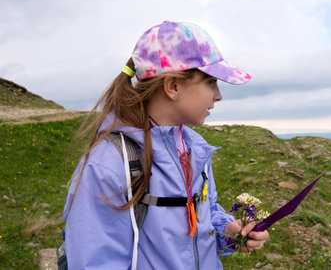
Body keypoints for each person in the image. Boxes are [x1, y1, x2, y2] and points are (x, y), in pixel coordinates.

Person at [62, 20, 269, 269]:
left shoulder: (195, 149)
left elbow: (205, 212)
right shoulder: (108, 164)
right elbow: (94, 261)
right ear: (173, 86)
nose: (218, 95)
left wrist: (228, 232)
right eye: (211, 82)